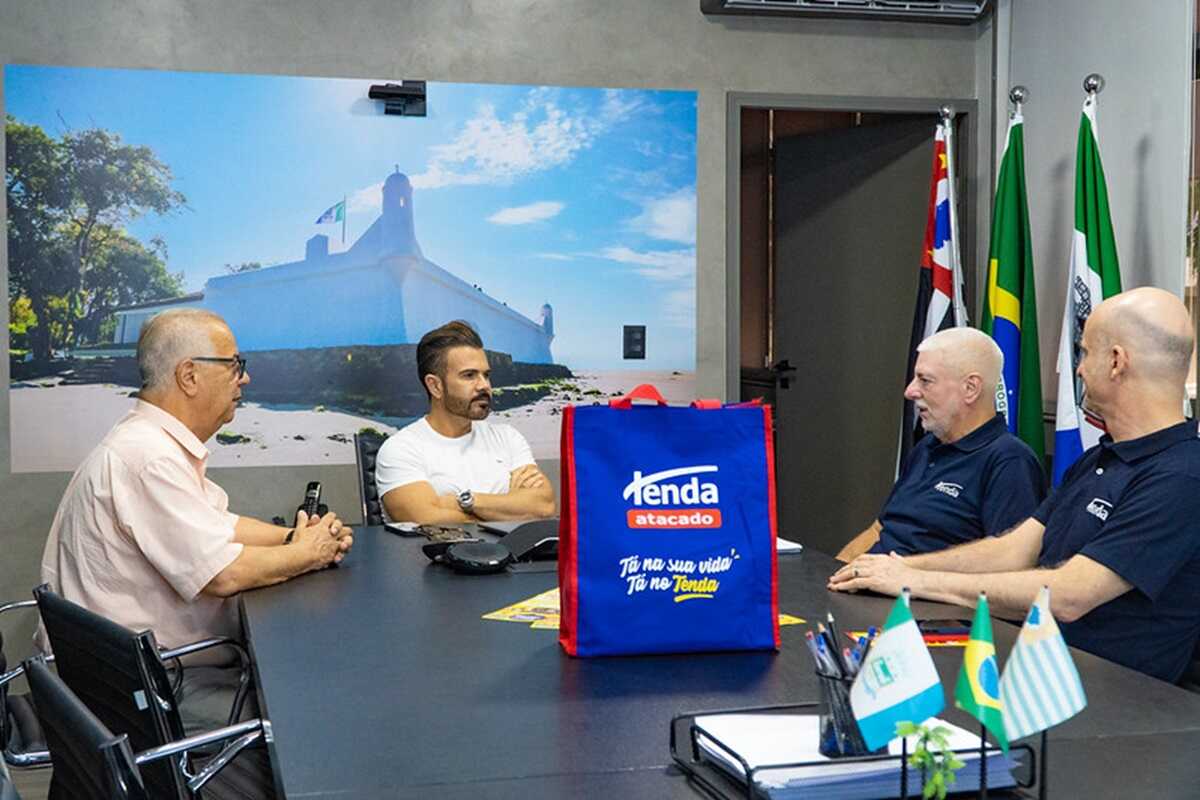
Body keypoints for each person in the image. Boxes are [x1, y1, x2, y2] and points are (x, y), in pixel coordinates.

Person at [831, 287, 1200, 683]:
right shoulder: (1102, 459)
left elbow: (1070, 595)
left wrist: (917, 580)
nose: (1076, 369)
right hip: (1032, 664)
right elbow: (1014, 550)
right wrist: (899, 567)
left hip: (1105, 700)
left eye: (1085, 352)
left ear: (1115, 362)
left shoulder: (1181, 476)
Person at [39, 308, 354, 754]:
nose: (243, 379)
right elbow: (221, 574)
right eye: (234, 366)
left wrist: (295, 538)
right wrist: (311, 551)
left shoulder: (151, 442)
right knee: (316, 714)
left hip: (153, 674)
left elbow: (219, 524)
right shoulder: (147, 457)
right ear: (189, 375)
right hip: (158, 691)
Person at [836, 327, 1044, 562]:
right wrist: (834, 573)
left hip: (916, 594)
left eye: (925, 381)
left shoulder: (1009, 462)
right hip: (871, 585)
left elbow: (1008, 564)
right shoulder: (926, 447)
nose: (910, 391)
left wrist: (903, 573)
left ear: (970, 388)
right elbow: (879, 529)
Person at [376, 320, 556, 524]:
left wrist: (467, 501)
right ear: (435, 386)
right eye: (469, 375)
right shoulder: (401, 449)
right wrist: (509, 506)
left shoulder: (508, 437)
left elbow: (543, 507)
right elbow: (427, 520)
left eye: (486, 375)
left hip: (516, 556)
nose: (484, 386)